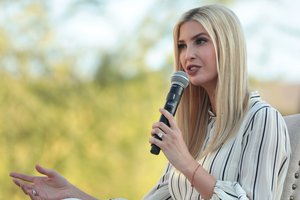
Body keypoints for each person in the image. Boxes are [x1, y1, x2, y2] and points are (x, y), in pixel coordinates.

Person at [9, 4, 290, 200]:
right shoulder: (193, 131)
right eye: (182, 45)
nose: (187, 55)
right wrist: (73, 193)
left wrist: (186, 164)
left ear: (228, 47)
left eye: (200, 41)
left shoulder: (261, 119)